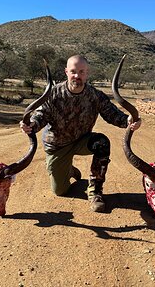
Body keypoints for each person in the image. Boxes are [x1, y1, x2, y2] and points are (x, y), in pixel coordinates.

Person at [20, 55, 141, 212]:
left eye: (81, 72)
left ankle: (95, 191)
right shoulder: (53, 94)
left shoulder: (96, 96)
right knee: (60, 191)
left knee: (102, 143)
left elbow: (114, 116)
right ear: (66, 72)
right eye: (73, 71)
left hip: (81, 141)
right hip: (57, 146)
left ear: (87, 73)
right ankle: (69, 170)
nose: (77, 76)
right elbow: (39, 117)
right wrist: (30, 125)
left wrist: (130, 121)